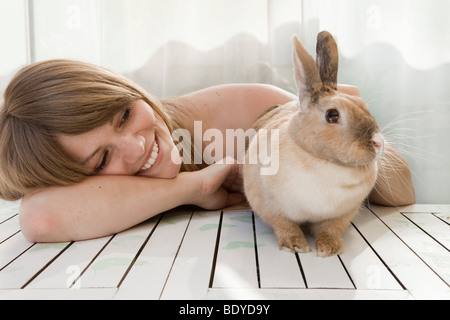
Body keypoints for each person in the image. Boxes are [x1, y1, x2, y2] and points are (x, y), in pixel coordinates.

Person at [0, 60, 415, 243]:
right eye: (103, 159)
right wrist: (195, 186)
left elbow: (402, 193)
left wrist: (352, 141)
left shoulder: (250, 109)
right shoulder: (79, 195)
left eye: (125, 114)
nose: (137, 145)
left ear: (128, 89)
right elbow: (41, 217)